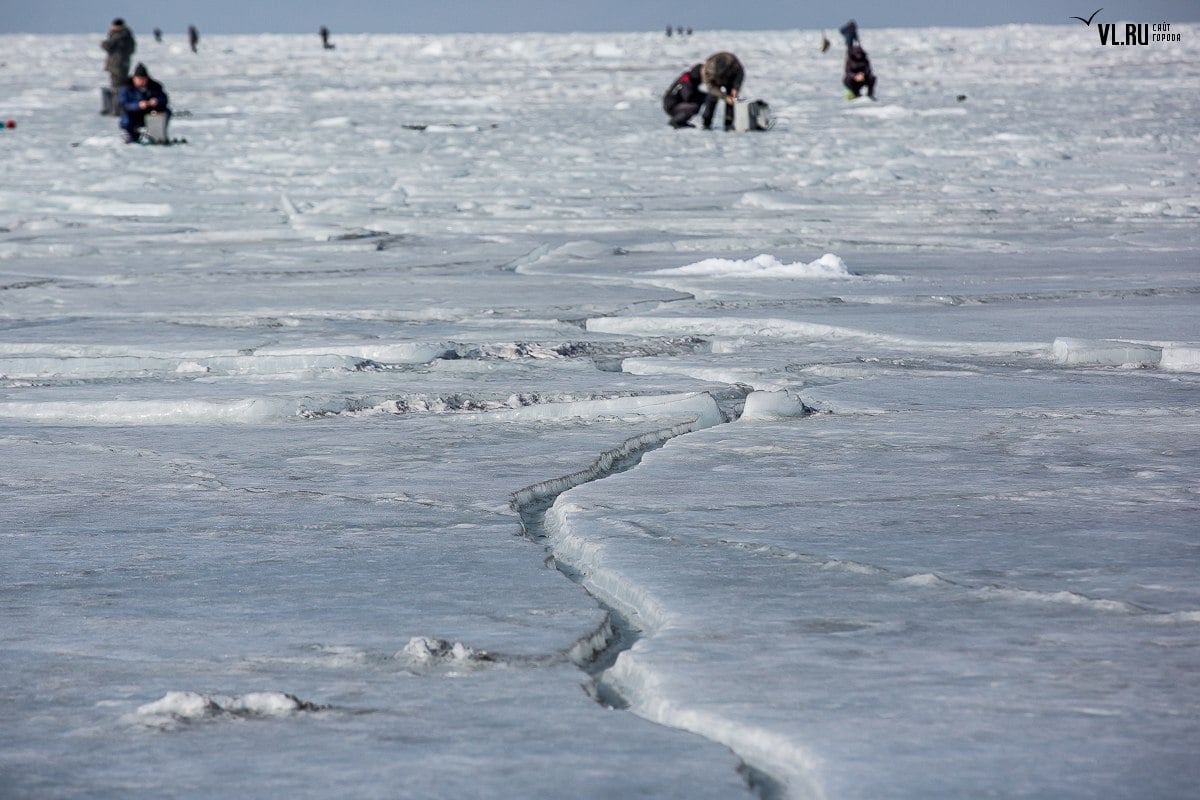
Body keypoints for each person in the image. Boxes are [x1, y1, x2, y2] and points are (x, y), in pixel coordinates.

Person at [119, 62, 170, 143]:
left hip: (151, 112)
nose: (142, 82)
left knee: (162, 112)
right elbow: (124, 104)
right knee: (126, 119)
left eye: (144, 79)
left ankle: (157, 137)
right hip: (134, 114)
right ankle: (132, 136)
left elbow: (164, 99)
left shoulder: (155, 86)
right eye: (139, 79)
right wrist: (137, 105)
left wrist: (156, 101)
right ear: (134, 78)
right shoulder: (126, 87)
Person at [100, 18, 136, 115]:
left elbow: (108, 46)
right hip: (123, 64)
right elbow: (132, 49)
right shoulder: (128, 35)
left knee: (117, 87)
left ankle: (117, 109)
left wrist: (103, 43)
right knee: (121, 86)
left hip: (116, 66)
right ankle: (120, 108)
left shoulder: (118, 35)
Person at [700, 51, 743, 131]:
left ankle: (729, 123)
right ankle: (706, 122)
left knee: (732, 99)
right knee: (712, 97)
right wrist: (724, 97)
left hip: (730, 79)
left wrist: (736, 88)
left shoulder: (732, 62)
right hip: (714, 82)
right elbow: (711, 87)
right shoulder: (707, 69)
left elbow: (740, 73)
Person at [662, 63, 707, 128]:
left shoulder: (689, 77)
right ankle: (676, 121)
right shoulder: (686, 79)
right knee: (694, 106)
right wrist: (703, 97)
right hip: (672, 105)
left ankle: (682, 121)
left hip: (674, 103)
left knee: (696, 103)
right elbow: (688, 97)